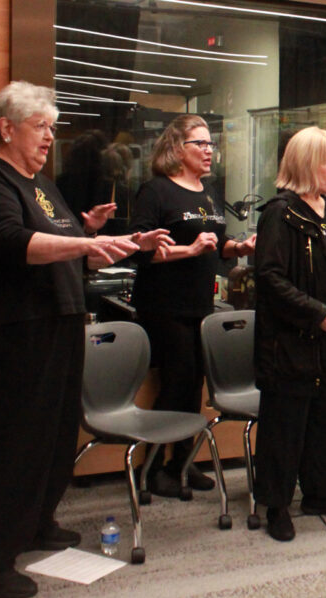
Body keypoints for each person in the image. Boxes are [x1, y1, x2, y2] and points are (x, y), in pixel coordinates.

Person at [0, 81, 167, 598]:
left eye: (51, 127)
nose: (50, 137)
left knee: (53, 437)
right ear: (6, 127)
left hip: (58, 321)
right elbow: (11, 241)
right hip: (9, 331)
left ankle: (36, 523)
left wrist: (113, 239)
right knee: (14, 444)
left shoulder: (39, 183)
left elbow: (67, 245)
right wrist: (86, 240)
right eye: (41, 126)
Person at [252, 126, 326, 541]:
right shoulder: (279, 213)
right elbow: (268, 278)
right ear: (305, 163)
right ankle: (276, 505)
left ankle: (320, 492)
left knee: (325, 419)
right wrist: (316, 312)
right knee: (286, 426)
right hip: (291, 341)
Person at [130, 114, 257, 498]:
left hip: (199, 304)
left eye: (210, 144)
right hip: (163, 305)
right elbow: (139, 252)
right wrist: (189, 249)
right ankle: (152, 470)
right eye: (199, 143)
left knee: (196, 385)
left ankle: (182, 463)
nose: (208, 150)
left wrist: (238, 247)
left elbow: (215, 244)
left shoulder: (208, 191)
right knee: (176, 383)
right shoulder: (156, 192)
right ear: (176, 149)